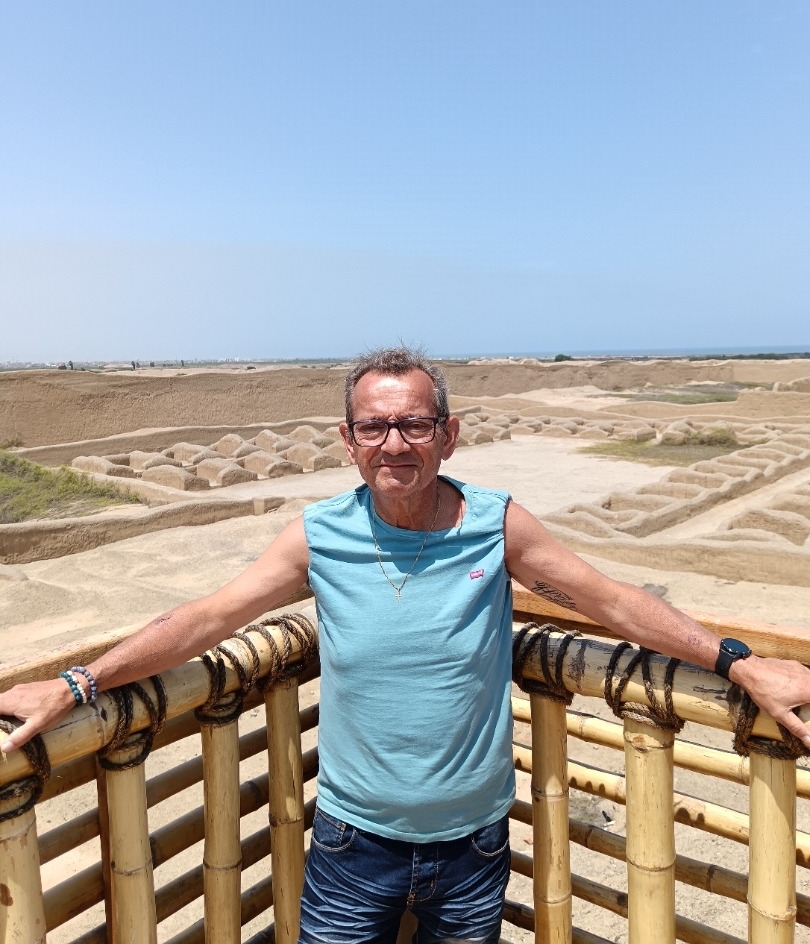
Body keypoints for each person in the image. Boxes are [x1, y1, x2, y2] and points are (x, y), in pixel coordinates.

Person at [1, 346, 809, 944]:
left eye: (414, 424)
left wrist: (737, 663)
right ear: (348, 440)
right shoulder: (318, 536)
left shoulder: (496, 524)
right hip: (354, 842)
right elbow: (205, 620)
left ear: (447, 435)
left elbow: (613, 602)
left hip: (473, 844)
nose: (395, 443)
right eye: (376, 426)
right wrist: (78, 684)